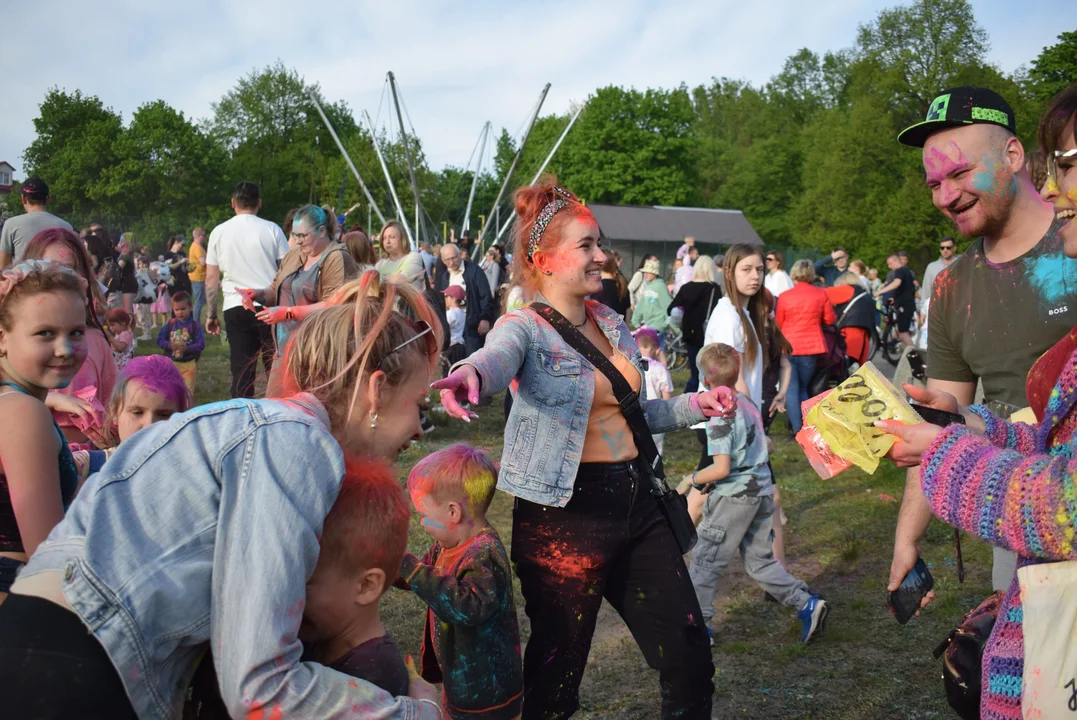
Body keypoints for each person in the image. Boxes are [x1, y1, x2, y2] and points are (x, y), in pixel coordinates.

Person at [0, 271, 444, 718]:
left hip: (46, 647)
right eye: (418, 407)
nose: (417, 430)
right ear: (377, 389)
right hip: (72, 668)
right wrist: (416, 712)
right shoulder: (296, 444)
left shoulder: (258, 424)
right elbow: (259, 685)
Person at [432, 178, 736, 719]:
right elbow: (496, 356)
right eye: (587, 247)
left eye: (600, 244)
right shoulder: (523, 327)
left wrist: (697, 404)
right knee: (557, 679)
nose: (602, 257)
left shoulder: (615, 325)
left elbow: (635, 415)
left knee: (689, 654)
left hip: (638, 505)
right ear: (544, 260)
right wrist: (469, 373)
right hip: (561, 519)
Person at [889, 85, 1071, 604]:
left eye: (960, 173)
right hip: (1019, 520)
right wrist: (907, 538)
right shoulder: (951, 286)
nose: (946, 197)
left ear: (1013, 155)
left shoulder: (1074, 243)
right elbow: (943, 418)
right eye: (935, 184)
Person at [680, 343, 828, 644]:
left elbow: (720, 468)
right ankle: (806, 603)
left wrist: (691, 479)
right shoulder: (746, 401)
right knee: (760, 563)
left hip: (733, 500)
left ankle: (700, 630)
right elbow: (766, 445)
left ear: (705, 381)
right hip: (761, 493)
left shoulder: (720, 416)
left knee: (705, 563)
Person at [398, 444, 523, 720]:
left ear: (453, 512)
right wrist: (390, 567)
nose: (421, 523)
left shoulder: (483, 554)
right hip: (460, 680)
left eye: (424, 515)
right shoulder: (446, 543)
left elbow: (467, 607)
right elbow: (423, 574)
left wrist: (410, 568)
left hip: (487, 693)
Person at [0, 261, 88, 594]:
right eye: (45, 333)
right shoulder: (23, 412)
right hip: (21, 605)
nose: (65, 349)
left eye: (76, 332)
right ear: (2, 339)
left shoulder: (15, 403)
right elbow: (48, 556)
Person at [237, 205, 358, 397]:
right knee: (277, 410)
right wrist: (257, 294)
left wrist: (288, 312)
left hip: (319, 356)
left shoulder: (337, 258)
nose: (298, 241)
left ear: (321, 231)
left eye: (303, 236)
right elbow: (275, 289)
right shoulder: (295, 254)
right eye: (295, 235)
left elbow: (335, 306)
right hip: (285, 352)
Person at [23, 229, 116, 445]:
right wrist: (52, 399)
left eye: (70, 271)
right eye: (49, 269)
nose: (60, 281)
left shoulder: (95, 341)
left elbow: (113, 408)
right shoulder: (12, 339)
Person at [204, 181, 289, 399]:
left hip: (235, 305)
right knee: (275, 370)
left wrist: (211, 314)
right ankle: (278, 415)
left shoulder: (219, 232)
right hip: (270, 306)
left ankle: (241, 420)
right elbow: (287, 270)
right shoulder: (272, 230)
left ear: (233, 203)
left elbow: (212, 278)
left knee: (242, 373)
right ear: (259, 203)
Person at [775, 260, 836, 433]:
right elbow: (830, 319)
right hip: (811, 347)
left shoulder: (785, 296)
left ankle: (797, 428)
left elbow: (779, 322)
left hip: (788, 346)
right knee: (803, 387)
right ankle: (805, 426)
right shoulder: (820, 294)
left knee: (792, 388)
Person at [669, 255, 722, 393]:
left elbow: (671, 309)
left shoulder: (686, 288)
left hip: (690, 336)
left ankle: (688, 400)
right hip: (707, 336)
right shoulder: (714, 289)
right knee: (708, 373)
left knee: (695, 372)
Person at [434, 243, 495, 357]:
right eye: (448, 260)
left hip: (472, 327)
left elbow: (485, 296)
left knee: (473, 361)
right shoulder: (444, 276)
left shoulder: (474, 271)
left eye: (454, 258)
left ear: (460, 255)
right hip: (453, 330)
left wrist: (485, 318)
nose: (452, 262)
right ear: (442, 260)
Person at [0, 178, 73, 269]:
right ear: (48, 198)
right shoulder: (67, 226)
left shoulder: (11, 224)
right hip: (59, 281)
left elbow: (3, 267)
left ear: (23, 198)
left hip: (24, 281)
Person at [157, 291, 204, 395]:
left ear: (190, 307)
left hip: (189, 364)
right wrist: (170, 346)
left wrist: (187, 348)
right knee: (171, 392)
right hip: (171, 363)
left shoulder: (195, 326)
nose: (180, 312)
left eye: (183, 309)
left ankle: (187, 409)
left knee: (187, 393)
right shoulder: (170, 324)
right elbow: (160, 340)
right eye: (176, 310)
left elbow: (201, 344)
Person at [636, 328, 673, 455]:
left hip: (636, 414)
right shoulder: (660, 369)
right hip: (656, 416)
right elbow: (667, 397)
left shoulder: (631, 366)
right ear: (657, 349)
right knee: (655, 452)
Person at [825, 272, 874, 367]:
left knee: (847, 367)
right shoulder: (864, 294)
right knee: (857, 369)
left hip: (850, 333)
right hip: (865, 336)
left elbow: (821, 294)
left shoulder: (848, 290)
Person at [873, 253, 917, 350]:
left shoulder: (899, 271)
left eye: (890, 263)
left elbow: (896, 283)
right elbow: (907, 288)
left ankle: (913, 354)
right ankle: (906, 354)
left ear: (896, 261)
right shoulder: (907, 271)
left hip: (904, 306)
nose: (889, 266)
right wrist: (895, 298)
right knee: (902, 331)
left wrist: (880, 292)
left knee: (903, 332)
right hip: (907, 304)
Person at [375, 220, 425, 291]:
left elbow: (398, 280)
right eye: (384, 238)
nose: (387, 241)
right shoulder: (380, 264)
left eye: (392, 237)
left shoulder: (414, 257)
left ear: (402, 239)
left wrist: (377, 284)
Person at [631, 258, 672, 341]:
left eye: (649, 272)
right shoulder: (647, 286)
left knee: (655, 349)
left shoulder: (661, 286)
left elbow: (667, 307)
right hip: (648, 324)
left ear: (655, 273)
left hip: (658, 325)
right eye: (645, 272)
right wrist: (635, 320)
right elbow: (641, 305)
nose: (646, 274)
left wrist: (665, 324)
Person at [441, 285, 467, 370]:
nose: (445, 299)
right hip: (460, 347)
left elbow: (443, 327)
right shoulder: (462, 313)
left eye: (446, 297)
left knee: (448, 374)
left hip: (452, 349)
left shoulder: (451, 313)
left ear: (453, 298)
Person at [188, 227, 208, 324]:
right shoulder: (197, 247)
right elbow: (203, 262)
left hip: (198, 277)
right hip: (198, 278)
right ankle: (196, 323)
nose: (205, 238)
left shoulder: (195, 246)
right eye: (203, 235)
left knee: (202, 300)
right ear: (198, 236)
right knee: (199, 302)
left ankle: (197, 322)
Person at [134, 257, 155, 339]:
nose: (142, 265)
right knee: (141, 314)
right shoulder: (140, 272)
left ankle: (147, 334)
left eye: (144, 263)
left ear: (147, 264)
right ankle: (146, 333)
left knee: (144, 315)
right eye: (140, 264)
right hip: (139, 296)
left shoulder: (146, 272)